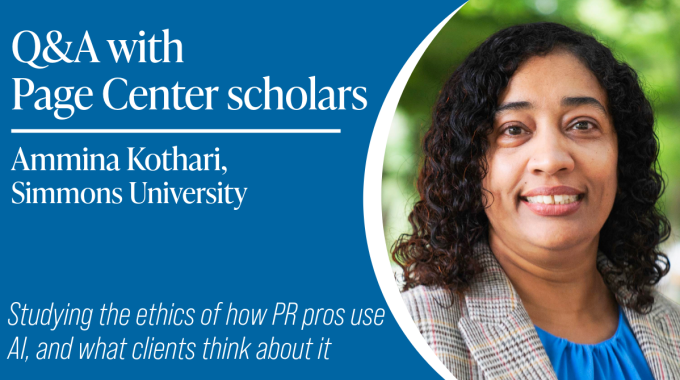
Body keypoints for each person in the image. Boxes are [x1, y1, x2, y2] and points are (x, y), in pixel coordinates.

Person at [393, 22, 680, 380]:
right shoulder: (412, 329)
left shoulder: (673, 327)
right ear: (470, 165)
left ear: (622, 156)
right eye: (513, 129)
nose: (551, 158)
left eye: (582, 125)